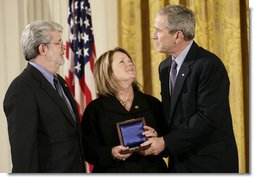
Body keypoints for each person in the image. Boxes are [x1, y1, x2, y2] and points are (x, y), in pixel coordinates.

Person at [140, 5, 239, 173]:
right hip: (180, 163)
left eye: (158, 30)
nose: (153, 36)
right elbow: (173, 115)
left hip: (208, 163)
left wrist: (166, 142)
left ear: (178, 36)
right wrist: (158, 134)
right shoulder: (164, 67)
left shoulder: (209, 65)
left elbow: (207, 118)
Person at [3, 20, 85, 173]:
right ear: (42, 49)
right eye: (58, 43)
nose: (64, 48)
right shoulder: (22, 89)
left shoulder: (59, 82)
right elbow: (24, 154)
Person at [81, 47, 168, 173]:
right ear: (108, 72)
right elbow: (87, 148)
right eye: (122, 62)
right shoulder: (95, 109)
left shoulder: (152, 103)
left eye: (129, 61)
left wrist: (157, 137)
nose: (130, 64)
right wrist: (111, 152)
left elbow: (170, 141)